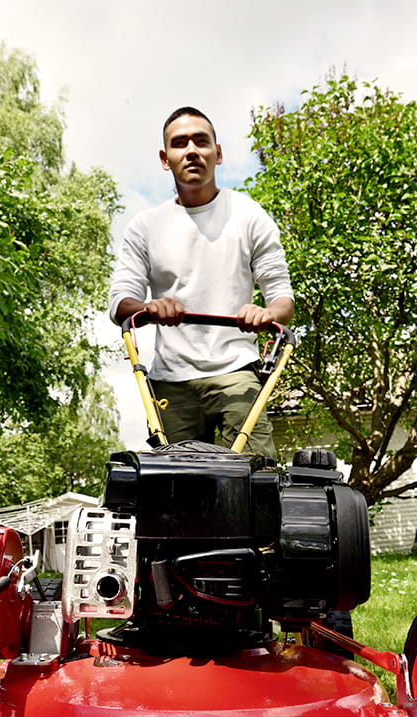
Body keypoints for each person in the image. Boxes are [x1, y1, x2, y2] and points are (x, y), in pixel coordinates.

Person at [108, 106, 294, 459]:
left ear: (218, 153)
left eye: (201, 141)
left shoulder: (248, 215)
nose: (191, 150)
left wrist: (266, 313)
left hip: (236, 372)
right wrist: (149, 308)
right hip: (171, 380)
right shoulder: (145, 226)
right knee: (173, 487)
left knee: (255, 475)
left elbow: (283, 300)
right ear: (166, 159)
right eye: (180, 144)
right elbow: (120, 303)